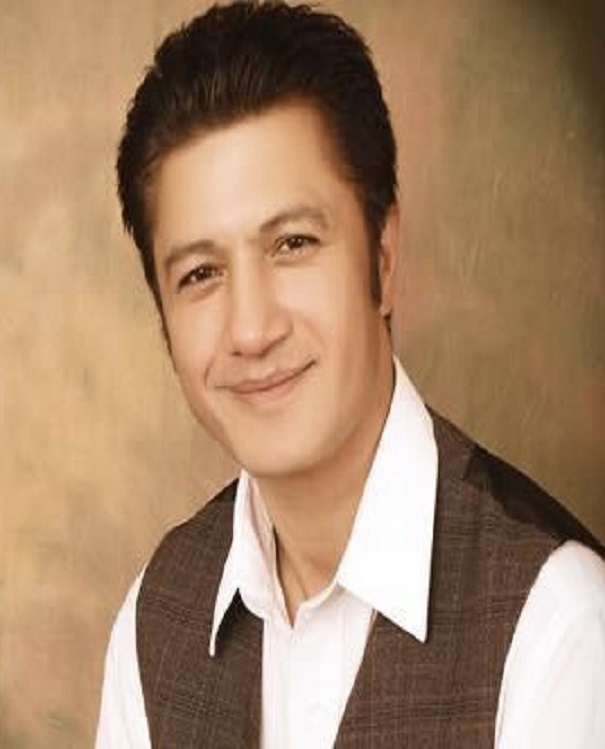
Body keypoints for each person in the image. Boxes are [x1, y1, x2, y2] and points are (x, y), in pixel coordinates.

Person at [96, 2, 605, 747]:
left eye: (293, 244)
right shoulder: (153, 623)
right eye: (200, 273)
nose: (251, 329)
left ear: (383, 258)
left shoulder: (559, 626)